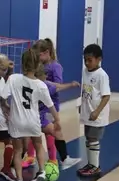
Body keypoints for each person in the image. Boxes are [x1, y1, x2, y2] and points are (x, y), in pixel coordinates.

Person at [0, 49, 60, 181]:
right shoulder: (40, 85)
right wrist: (57, 120)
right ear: (38, 65)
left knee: (18, 151)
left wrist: (6, 107)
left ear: (22, 64)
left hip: (16, 121)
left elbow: (3, 97)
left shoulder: (13, 78)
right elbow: (50, 106)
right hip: (33, 121)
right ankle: (42, 171)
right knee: (38, 145)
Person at [24, 38, 80, 169]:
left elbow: (57, 86)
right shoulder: (39, 67)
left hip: (50, 106)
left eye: (39, 55)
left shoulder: (55, 67)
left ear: (46, 52)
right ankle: (31, 157)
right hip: (40, 105)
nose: (37, 58)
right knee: (35, 131)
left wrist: (69, 85)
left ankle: (54, 159)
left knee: (50, 133)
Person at [77, 44, 111, 177]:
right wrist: (82, 105)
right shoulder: (85, 71)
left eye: (90, 60)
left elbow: (106, 96)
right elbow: (86, 90)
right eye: (85, 60)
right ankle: (90, 163)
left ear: (99, 59)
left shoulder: (102, 75)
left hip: (97, 114)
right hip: (87, 112)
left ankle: (95, 166)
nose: (87, 63)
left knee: (93, 138)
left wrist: (97, 111)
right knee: (88, 138)